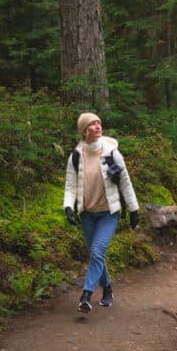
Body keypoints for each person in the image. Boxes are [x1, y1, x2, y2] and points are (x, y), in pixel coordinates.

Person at [63, 112, 140, 313]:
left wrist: (134, 209)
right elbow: (70, 186)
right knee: (96, 254)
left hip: (108, 213)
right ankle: (107, 289)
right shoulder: (76, 156)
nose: (98, 126)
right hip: (87, 214)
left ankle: (86, 295)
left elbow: (125, 182)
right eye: (92, 124)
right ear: (84, 131)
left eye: (99, 123)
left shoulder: (112, 153)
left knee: (97, 252)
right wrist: (68, 206)